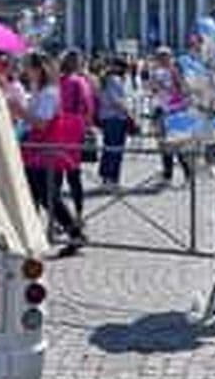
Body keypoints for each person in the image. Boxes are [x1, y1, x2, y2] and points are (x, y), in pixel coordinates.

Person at [19, 53, 83, 248]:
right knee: (31, 195)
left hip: (45, 150)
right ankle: (32, 235)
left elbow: (42, 124)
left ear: (38, 70)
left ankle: (74, 231)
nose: (24, 72)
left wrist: (19, 111)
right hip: (34, 151)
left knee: (49, 197)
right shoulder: (39, 90)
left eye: (27, 67)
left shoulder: (49, 93)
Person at [56, 49, 94, 237]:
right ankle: (78, 215)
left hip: (56, 129)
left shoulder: (57, 81)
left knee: (55, 176)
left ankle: (58, 219)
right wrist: (86, 127)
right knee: (74, 176)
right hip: (73, 131)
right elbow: (87, 107)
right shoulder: (80, 82)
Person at [148, 47, 191, 183]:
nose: (161, 60)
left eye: (164, 57)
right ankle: (167, 174)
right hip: (161, 110)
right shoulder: (155, 72)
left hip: (175, 111)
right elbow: (153, 90)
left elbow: (184, 90)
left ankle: (188, 173)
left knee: (178, 145)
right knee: (163, 144)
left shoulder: (175, 72)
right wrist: (154, 87)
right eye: (159, 57)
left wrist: (167, 88)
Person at [97, 58, 131, 187]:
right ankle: (112, 178)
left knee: (108, 148)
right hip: (116, 117)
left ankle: (106, 176)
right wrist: (129, 113)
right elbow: (117, 101)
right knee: (116, 149)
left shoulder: (105, 79)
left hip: (106, 117)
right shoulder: (114, 80)